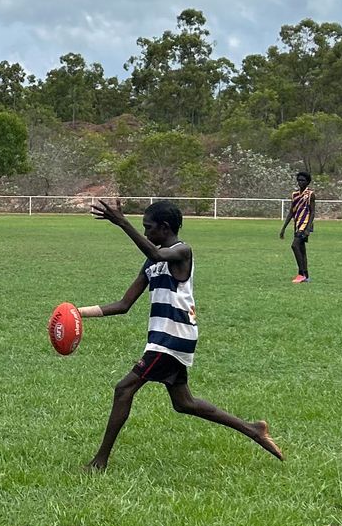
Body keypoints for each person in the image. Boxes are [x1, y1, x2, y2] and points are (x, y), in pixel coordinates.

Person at [79, 199, 282, 470]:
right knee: (184, 403)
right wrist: (76, 312)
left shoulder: (181, 251)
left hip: (172, 337)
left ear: (164, 228)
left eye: (148, 228)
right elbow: (123, 305)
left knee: (123, 389)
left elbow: (157, 254)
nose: (147, 232)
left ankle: (99, 462)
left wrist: (122, 223)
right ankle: (253, 429)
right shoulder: (150, 263)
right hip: (163, 338)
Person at [280, 171, 315, 282]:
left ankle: (301, 273)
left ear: (308, 182)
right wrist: (284, 228)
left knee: (294, 246)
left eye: (303, 180)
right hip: (297, 224)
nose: (300, 182)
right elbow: (292, 211)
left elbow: (312, 212)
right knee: (301, 249)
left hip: (305, 225)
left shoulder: (310, 194)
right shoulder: (294, 195)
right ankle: (306, 275)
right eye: (299, 180)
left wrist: (308, 228)